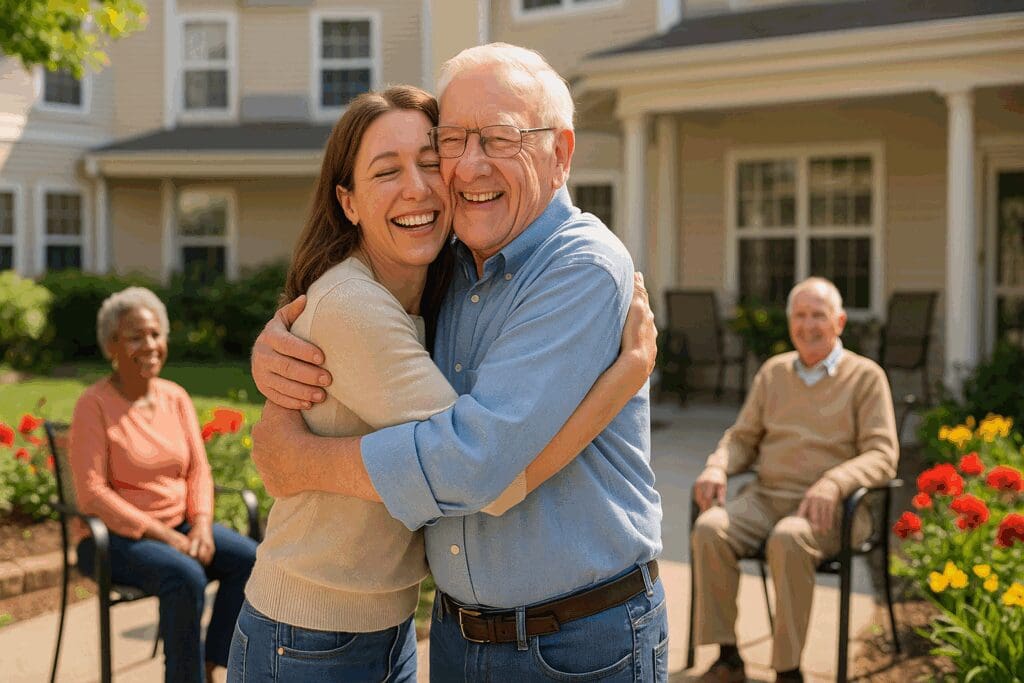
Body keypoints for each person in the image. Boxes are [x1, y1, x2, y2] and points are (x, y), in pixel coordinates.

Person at [250, 43, 666, 682]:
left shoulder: (576, 267)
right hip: (433, 636)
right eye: (454, 140)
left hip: (573, 645)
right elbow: (342, 313)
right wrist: (272, 346)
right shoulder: (445, 268)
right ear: (349, 200)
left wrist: (301, 460)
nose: (468, 166)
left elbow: (475, 465)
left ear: (561, 153)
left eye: (500, 138)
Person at [691, 277, 898, 683]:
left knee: (788, 539)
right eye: (799, 316)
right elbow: (743, 438)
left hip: (833, 509)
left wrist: (835, 481)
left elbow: (883, 455)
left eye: (818, 315)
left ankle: (788, 672)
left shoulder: (866, 377)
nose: (808, 325)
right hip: (767, 496)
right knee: (710, 529)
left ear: (839, 322)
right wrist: (718, 464)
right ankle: (728, 657)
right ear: (790, 324)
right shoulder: (774, 373)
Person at [69, 287, 258, 683]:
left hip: (181, 528)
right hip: (111, 541)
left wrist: (203, 523)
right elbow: (91, 494)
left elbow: (198, 472)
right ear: (111, 347)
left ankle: (209, 666)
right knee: (185, 575)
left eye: (155, 334)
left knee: (252, 560)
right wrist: (168, 538)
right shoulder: (94, 404)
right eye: (135, 336)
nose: (150, 345)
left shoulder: (175, 397)